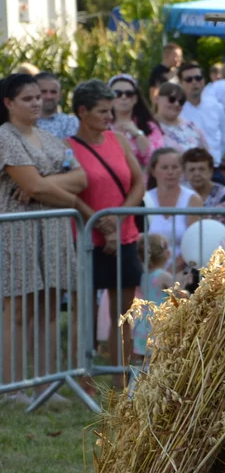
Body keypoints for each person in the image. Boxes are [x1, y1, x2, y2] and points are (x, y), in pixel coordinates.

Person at [0, 73, 85, 388]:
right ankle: (14, 386)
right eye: (28, 98)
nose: (37, 102)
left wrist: (43, 185)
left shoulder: (51, 138)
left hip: (53, 228)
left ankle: (47, 384)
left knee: (50, 304)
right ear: (9, 103)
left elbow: (80, 177)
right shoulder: (5, 136)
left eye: (38, 97)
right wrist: (54, 191)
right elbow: (31, 184)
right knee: (19, 308)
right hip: (18, 230)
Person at [68, 80, 145, 385]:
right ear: (82, 111)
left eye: (110, 110)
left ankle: (121, 379)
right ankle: (83, 380)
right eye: (102, 111)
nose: (109, 117)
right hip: (86, 240)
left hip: (124, 236)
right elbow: (70, 193)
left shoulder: (119, 141)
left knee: (123, 314)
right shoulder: (67, 147)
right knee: (83, 313)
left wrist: (119, 215)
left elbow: (138, 182)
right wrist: (99, 221)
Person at [144, 146, 202, 275]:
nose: (170, 172)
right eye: (165, 168)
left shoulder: (193, 199)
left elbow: (193, 243)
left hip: (184, 271)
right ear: (153, 171)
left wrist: (169, 272)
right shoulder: (145, 199)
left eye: (175, 167)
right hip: (148, 271)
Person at [178, 63, 225, 178]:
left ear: (203, 81)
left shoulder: (217, 107)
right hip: (185, 172)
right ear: (180, 83)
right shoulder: (176, 109)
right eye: (189, 79)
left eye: (198, 78)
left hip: (213, 169)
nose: (194, 82)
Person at [131, 232, 175, 365]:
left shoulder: (145, 276)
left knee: (142, 361)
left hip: (143, 323)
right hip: (159, 323)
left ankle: (135, 383)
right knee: (157, 360)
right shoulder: (164, 276)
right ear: (167, 255)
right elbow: (179, 294)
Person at [108, 74, 163, 169]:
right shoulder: (100, 126)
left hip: (142, 181)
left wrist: (137, 134)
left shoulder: (149, 126)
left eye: (129, 94)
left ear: (135, 99)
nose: (123, 97)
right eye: (117, 94)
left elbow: (156, 160)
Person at [154, 82, 207, 155]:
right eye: (172, 99)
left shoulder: (192, 127)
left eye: (181, 101)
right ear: (157, 99)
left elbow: (205, 155)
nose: (176, 104)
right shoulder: (149, 127)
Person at [34, 72, 79, 139]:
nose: (49, 96)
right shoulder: (23, 122)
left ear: (60, 96)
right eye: (43, 92)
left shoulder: (70, 122)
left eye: (53, 92)